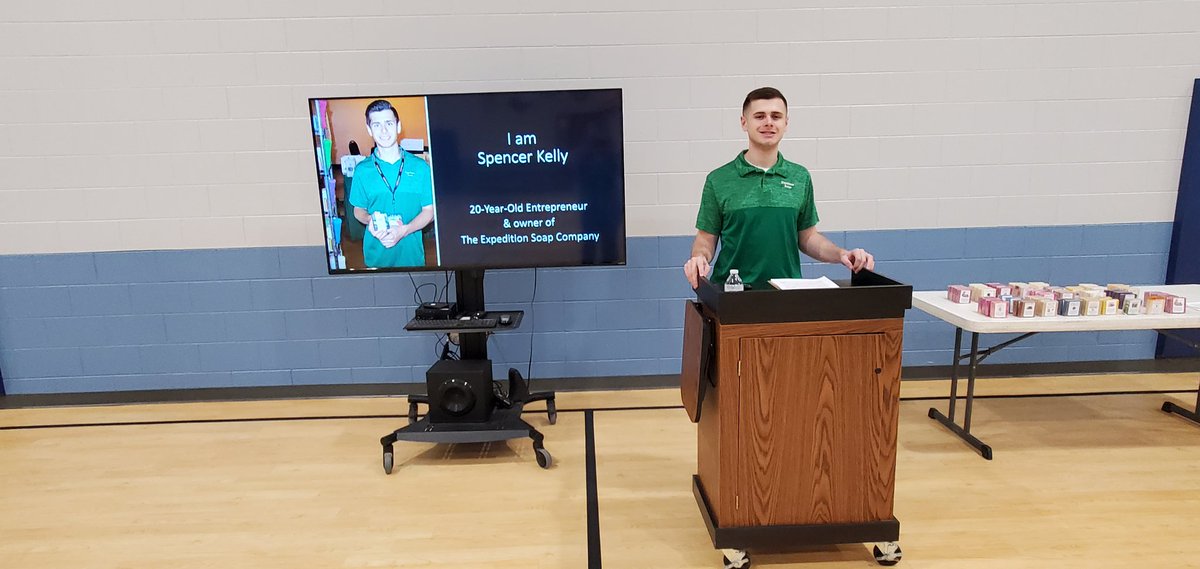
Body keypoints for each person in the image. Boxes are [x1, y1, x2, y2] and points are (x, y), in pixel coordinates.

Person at [682, 87, 874, 289]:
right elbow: (705, 239)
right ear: (744, 122)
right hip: (732, 294)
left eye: (776, 116)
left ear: (786, 123)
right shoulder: (719, 179)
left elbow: (808, 237)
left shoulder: (800, 177)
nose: (768, 122)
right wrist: (699, 257)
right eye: (759, 116)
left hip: (786, 295)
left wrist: (842, 254)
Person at [348, 100, 435, 268]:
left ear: (398, 126)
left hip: (411, 256)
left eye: (389, 123)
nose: (384, 131)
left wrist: (404, 230)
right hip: (376, 257)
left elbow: (429, 212)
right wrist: (370, 220)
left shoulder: (420, 168)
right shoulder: (362, 170)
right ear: (369, 129)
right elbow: (358, 210)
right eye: (377, 125)